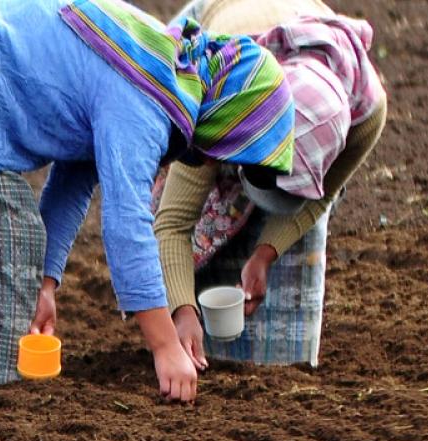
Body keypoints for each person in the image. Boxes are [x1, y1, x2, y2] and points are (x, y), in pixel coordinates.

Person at [0, 0, 296, 402]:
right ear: (230, 116)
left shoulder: (155, 63)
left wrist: (47, 282)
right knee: (9, 233)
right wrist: (165, 347)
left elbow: (72, 180)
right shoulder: (147, 97)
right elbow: (127, 224)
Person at [157, 0, 385, 369]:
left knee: (294, 248)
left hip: (296, 18)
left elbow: (320, 195)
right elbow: (173, 223)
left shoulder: (365, 111)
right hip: (220, 18)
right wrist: (182, 311)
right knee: (171, 168)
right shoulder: (218, 94)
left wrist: (265, 254)